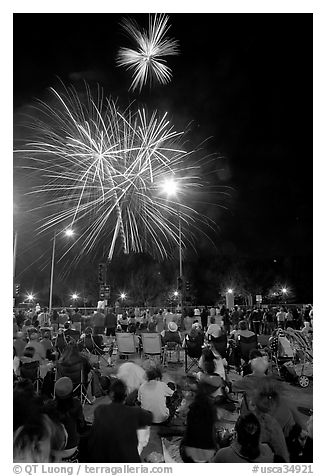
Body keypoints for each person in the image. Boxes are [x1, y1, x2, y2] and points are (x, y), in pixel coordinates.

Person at [87, 379, 152, 462]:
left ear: (111, 394)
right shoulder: (135, 412)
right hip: (126, 461)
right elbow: (149, 417)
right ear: (125, 395)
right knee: (142, 428)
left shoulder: (100, 410)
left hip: (99, 460)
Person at [44, 377, 87, 462]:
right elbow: (81, 425)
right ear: (71, 392)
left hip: (52, 448)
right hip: (71, 448)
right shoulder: (76, 404)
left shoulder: (48, 406)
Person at [180, 386, 218, 462]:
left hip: (189, 454)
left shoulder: (192, 411)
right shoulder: (212, 412)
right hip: (209, 454)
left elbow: (188, 432)